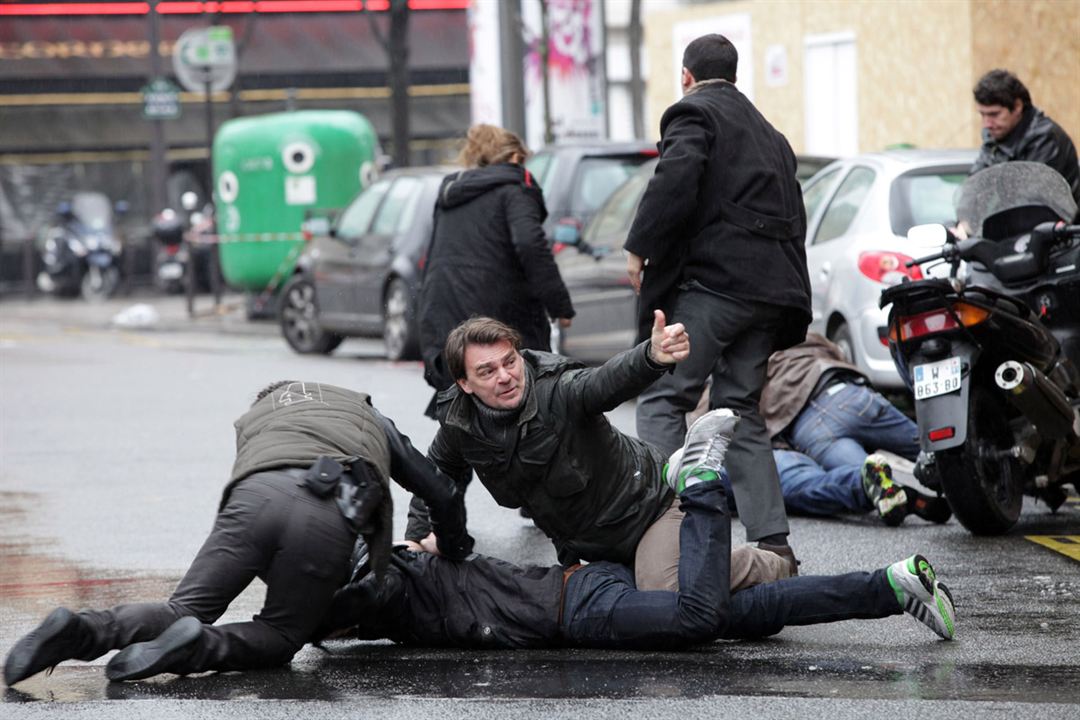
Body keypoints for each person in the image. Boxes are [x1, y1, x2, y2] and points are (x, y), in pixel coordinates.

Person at [324, 412, 956, 650]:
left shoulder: (389, 582)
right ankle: (893, 588)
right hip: (584, 583)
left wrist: (299, 622)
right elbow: (433, 483)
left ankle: (702, 483)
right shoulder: (401, 567)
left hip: (577, 608)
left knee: (695, 619)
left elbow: (357, 599)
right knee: (743, 615)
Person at [3, 381, 472, 686]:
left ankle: (82, 629)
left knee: (182, 607)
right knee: (284, 632)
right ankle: (198, 647)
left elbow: (268, 518)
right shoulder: (369, 417)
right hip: (324, 516)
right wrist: (450, 547)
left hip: (253, 496)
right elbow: (442, 492)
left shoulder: (256, 420)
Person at [407, 314, 792, 595]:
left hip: (651, 509)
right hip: (593, 544)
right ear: (464, 384)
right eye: (487, 371)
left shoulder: (559, 391)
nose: (505, 376)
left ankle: (771, 565)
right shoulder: (460, 424)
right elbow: (436, 476)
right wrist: (416, 538)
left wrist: (652, 357)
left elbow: (604, 382)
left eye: (510, 361)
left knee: (661, 589)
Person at [622, 34, 811, 568]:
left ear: (686, 76)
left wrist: (639, 247)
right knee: (740, 411)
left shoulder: (693, 113)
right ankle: (774, 542)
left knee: (663, 398)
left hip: (716, 288)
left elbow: (675, 178)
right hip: (774, 296)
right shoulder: (772, 136)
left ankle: (662, 524)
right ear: (735, 73)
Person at [418, 123, 575, 409]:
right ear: (515, 157)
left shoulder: (451, 193)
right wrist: (559, 306)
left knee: (463, 404)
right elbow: (530, 245)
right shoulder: (516, 186)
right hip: (498, 312)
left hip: (440, 316)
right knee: (524, 400)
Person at [757, 333, 949, 525]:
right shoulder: (800, 337)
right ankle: (968, 480)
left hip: (812, 427)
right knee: (939, 447)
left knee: (868, 477)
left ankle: (895, 492)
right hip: (852, 397)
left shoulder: (749, 367)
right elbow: (837, 353)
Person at [970, 69, 1080, 208]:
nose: (986, 124)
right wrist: (965, 221)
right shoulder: (994, 138)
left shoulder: (1045, 139)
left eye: (994, 114)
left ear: (1017, 107)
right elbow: (976, 185)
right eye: (982, 115)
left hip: (1054, 226)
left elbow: (1032, 199)